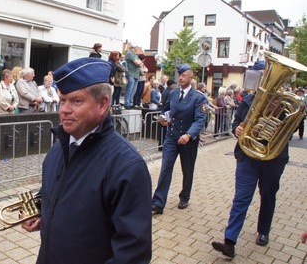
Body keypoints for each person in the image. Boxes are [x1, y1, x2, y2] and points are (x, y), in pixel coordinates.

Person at [22, 57, 152, 264]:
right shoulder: (59, 147)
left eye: (76, 101)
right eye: (62, 99)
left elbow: (132, 252)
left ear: (102, 104)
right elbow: (60, 192)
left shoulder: (126, 166)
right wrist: (41, 212)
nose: (63, 109)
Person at [211, 59, 291, 259]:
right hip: (248, 157)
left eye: (267, 74)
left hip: (272, 158)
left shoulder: (284, 104)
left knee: (268, 195)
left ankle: (263, 231)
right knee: (241, 198)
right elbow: (236, 122)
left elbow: (289, 132)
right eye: (261, 75)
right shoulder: (247, 100)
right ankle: (230, 241)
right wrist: (237, 129)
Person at [151, 63, 207, 215]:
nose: (181, 78)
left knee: (187, 169)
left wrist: (189, 135)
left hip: (188, 139)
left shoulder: (198, 98)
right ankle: (158, 202)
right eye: (179, 75)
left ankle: (184, 196)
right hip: (172, 136)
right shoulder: (173, 93)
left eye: (184, 75)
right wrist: (164, 119)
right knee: (165, 167)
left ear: (191, 77)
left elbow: (199, 120)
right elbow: (166, 110)